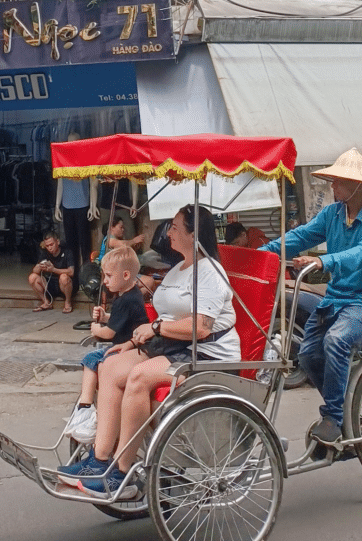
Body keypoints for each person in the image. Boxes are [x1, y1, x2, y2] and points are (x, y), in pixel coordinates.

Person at [58, 205, 241, 498]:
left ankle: (121, 472)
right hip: (174, 347)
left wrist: (155, 329)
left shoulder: (210, 273)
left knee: (139, 377)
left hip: (206, 355)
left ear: (194, 235)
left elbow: (202, 327)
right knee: (109, 364)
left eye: (175, 228)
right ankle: (99, 459)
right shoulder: (180, 267)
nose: (168, 232)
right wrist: (131, 340)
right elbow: (158, 311)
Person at [260, 147, 362, 445]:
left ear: (357, 185)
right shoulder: (332, 214)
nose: (332, 186)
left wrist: (323, 261)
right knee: (307, 355)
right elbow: (300, 237)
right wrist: (258, 257)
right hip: (335, 299)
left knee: (336, 340)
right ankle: (346, 413)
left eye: (337, 181)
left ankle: (333, 418)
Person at [64, 246, 149, 444]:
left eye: (109, 276)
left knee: (91, 359)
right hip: (126, 345)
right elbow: (120, 320)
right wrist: (105, 316)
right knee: (95, 359)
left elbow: (109, 332)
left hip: (128, 349)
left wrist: (95, 329)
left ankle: (85, 408)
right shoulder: (131, 295)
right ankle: (86, 407)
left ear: (126, 275)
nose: (105, 281)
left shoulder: (124, 300)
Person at [28, 231, 75, 313]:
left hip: (64, 284)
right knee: (32, 277)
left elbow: (71, 272)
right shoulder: (45, 253)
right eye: (47, 246)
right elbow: (35, 270)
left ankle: (68, 302)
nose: (50, 248)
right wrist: (40, 267)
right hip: (49, 283)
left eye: (51, 245)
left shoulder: (67, 252)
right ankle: (46, 302)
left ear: (58, 242)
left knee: (64, 277)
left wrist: (54, 270)